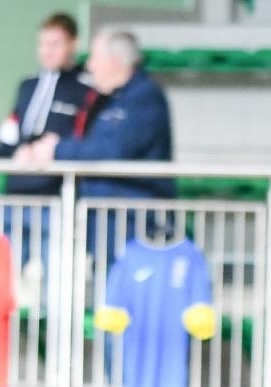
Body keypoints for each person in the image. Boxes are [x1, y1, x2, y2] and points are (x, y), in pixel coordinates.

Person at [24, 27, 174, 266]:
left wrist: (57, 150)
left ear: (114, 61)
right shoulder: (112, 99)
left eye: (95, 57)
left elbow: (112, 150)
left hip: (131, 221)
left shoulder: (144, 98)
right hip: (107, 221)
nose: (90, 66)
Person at [0, 13, 95, 270]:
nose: (47, 51)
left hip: (56, 201)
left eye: (55, 44)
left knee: (57, 277)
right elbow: (8, 140)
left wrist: (51, 149)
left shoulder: (86, 89)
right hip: (17, 197)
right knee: (4, 275)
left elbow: (86, 142)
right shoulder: (27, 86)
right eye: (43, 44)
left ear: (73, 43)